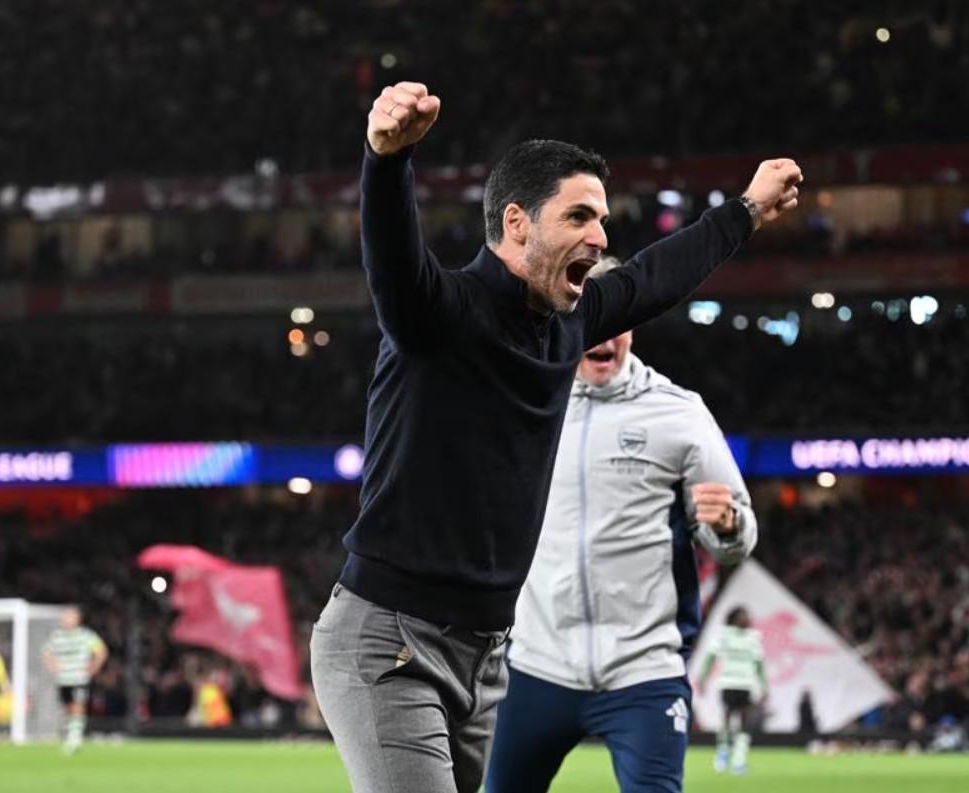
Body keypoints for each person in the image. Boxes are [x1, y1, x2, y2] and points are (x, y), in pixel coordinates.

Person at [309, 80, 802, 793]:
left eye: (601, 218)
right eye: (578, 216)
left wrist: (747, 210)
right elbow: (391, 260)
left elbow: (656, 277)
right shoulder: (438, 315)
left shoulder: (569, 323)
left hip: (485, 657)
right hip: (392, 639)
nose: (600, 237)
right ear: (517, 223)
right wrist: (386, 161)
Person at [485, 258, 758, 793]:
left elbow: (738, 535)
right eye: (591, 316)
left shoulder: (679, 414)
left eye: (617, 319)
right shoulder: (524, 403)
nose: (605, 334)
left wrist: (726, 524)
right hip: (538, 667)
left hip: (643, 671)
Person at [697, 606, 767, 775]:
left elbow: (759, 664)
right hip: (728, 683)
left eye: (747, 616)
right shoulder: (724, 635)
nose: (747, 618)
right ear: (734, 619)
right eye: (743, 616)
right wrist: (703, 678)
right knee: (727, 719)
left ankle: (739, 759)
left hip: (746, 684)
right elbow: (710, 657)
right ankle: (723, 752)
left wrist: (764, 685)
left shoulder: (753, 638)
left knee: (744, 722)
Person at [42, 607, 108, 753]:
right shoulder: (57, 636)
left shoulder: (86, 635)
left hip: (79, 679)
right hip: (63, 679)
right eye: (64, 617)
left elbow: (101, 651)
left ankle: (75, 737)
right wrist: (52, 665)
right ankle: (71, 734)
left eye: (69, 617)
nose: (65, 620)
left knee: (77, 706)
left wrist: (93, 667)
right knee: (67, 708)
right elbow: (46, 652)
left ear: (77, 619)